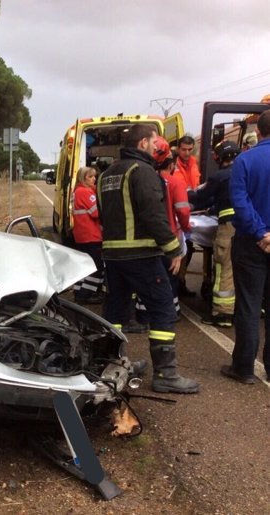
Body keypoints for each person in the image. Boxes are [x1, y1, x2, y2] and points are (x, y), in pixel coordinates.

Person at [97, 124, 199, 394]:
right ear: (143, 143)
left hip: (113, 255)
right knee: (164, 308)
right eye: (155, 142)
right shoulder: (142, 172)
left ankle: (113, 364)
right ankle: (166, 374)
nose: (158, 147)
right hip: (141, 254)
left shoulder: (106, 174)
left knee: (115, 311)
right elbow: (154, 215)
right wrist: (173, 248)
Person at [224, 110, 270, 384]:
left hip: (251, 243)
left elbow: (240, 204)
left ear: (259, 130)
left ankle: (243, 368)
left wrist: (261, 233)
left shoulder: (245, 160)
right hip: (261, 239)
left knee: (249, 306)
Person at [135, 138, 190, 322]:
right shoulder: (175, 183)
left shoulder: (144, 178)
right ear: (172, 163)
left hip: (147, 237)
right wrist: (188, 227)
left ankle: (143, 313)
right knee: (170, 277)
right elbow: (183, 210)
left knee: (148, 278)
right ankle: (171, 312)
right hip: (170, 236)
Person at [189, 141, 240, 328]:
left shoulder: (220, 176)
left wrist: (184, 194)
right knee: (243, 268)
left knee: (224, 268)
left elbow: (200, 196)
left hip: (229, 228)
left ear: (219, 157)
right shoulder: (246, 171)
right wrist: (213, 208)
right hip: (251, 227)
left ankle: (223, 313)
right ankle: (249, 307)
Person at [173, 134, 201, 297]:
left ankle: (180, 280)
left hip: (192, 208)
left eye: (190, 150)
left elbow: (195, 185)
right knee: (180, 248)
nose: (187, 153)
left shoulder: (193, 164)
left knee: (188, 247)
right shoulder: (173, 165)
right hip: (178, 210)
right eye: (184, 149)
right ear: (178, 149)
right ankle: (176, 282)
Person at [72, 166, 104, 304]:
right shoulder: (86, 192)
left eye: (94, 176)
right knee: (97, 267)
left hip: (81, 235)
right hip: (91, 235)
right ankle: (86, 294)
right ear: (83, 178)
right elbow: (96, 212)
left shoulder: (77, 191)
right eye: (90, 177)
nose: (94, 179)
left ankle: (79, 290)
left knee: (84, 265)